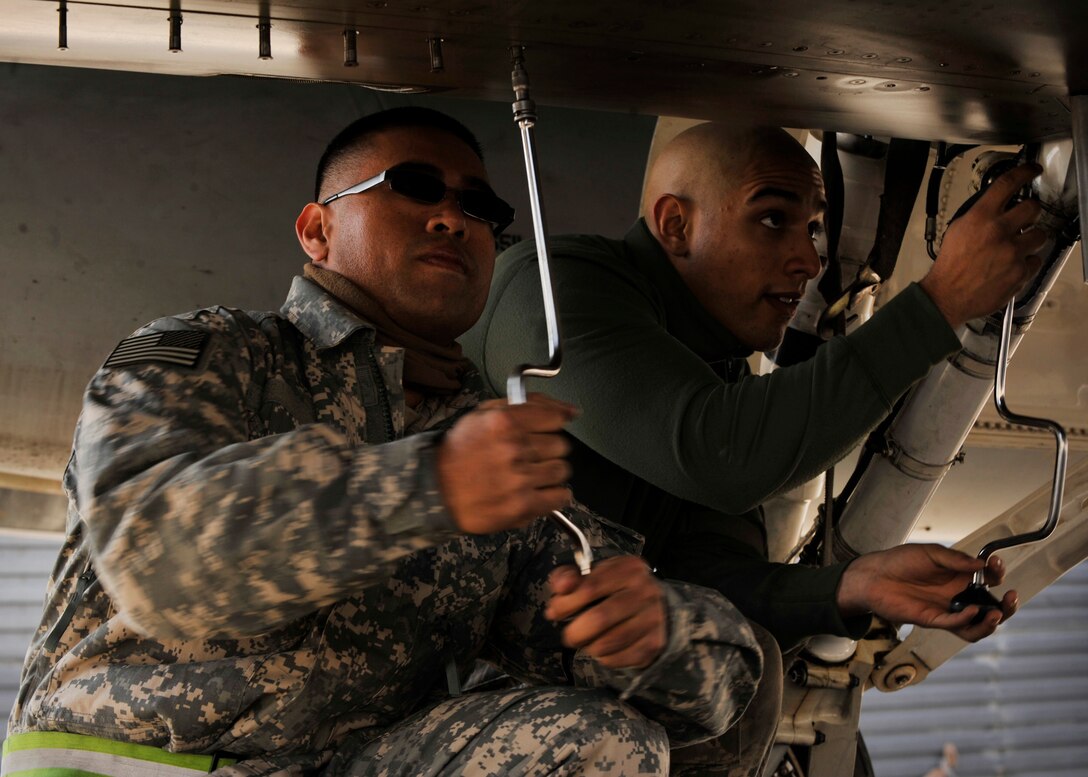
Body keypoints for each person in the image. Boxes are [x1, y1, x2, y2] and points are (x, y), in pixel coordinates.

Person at [5, 108, 763, 777]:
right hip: (126, 764)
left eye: (478, 206)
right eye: (413, 186)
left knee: (604, 741)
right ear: (317, 229)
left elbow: (712, 697)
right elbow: (158, 556)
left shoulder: (489, 446)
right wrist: (426, 487)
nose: (451, 218)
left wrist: (660, 632)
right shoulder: (211, 354)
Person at [463, 123, 1038, 773]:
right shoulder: (553, 286)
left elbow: (719, 584)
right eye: (772, 220)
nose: (809, 260)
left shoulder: (718, 371)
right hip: (439, 686)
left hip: (532, 690)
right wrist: (941, 302)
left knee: (742, 658)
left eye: (813, 229)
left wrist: (852, 587)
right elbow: (718, 454)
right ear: (675, 225)